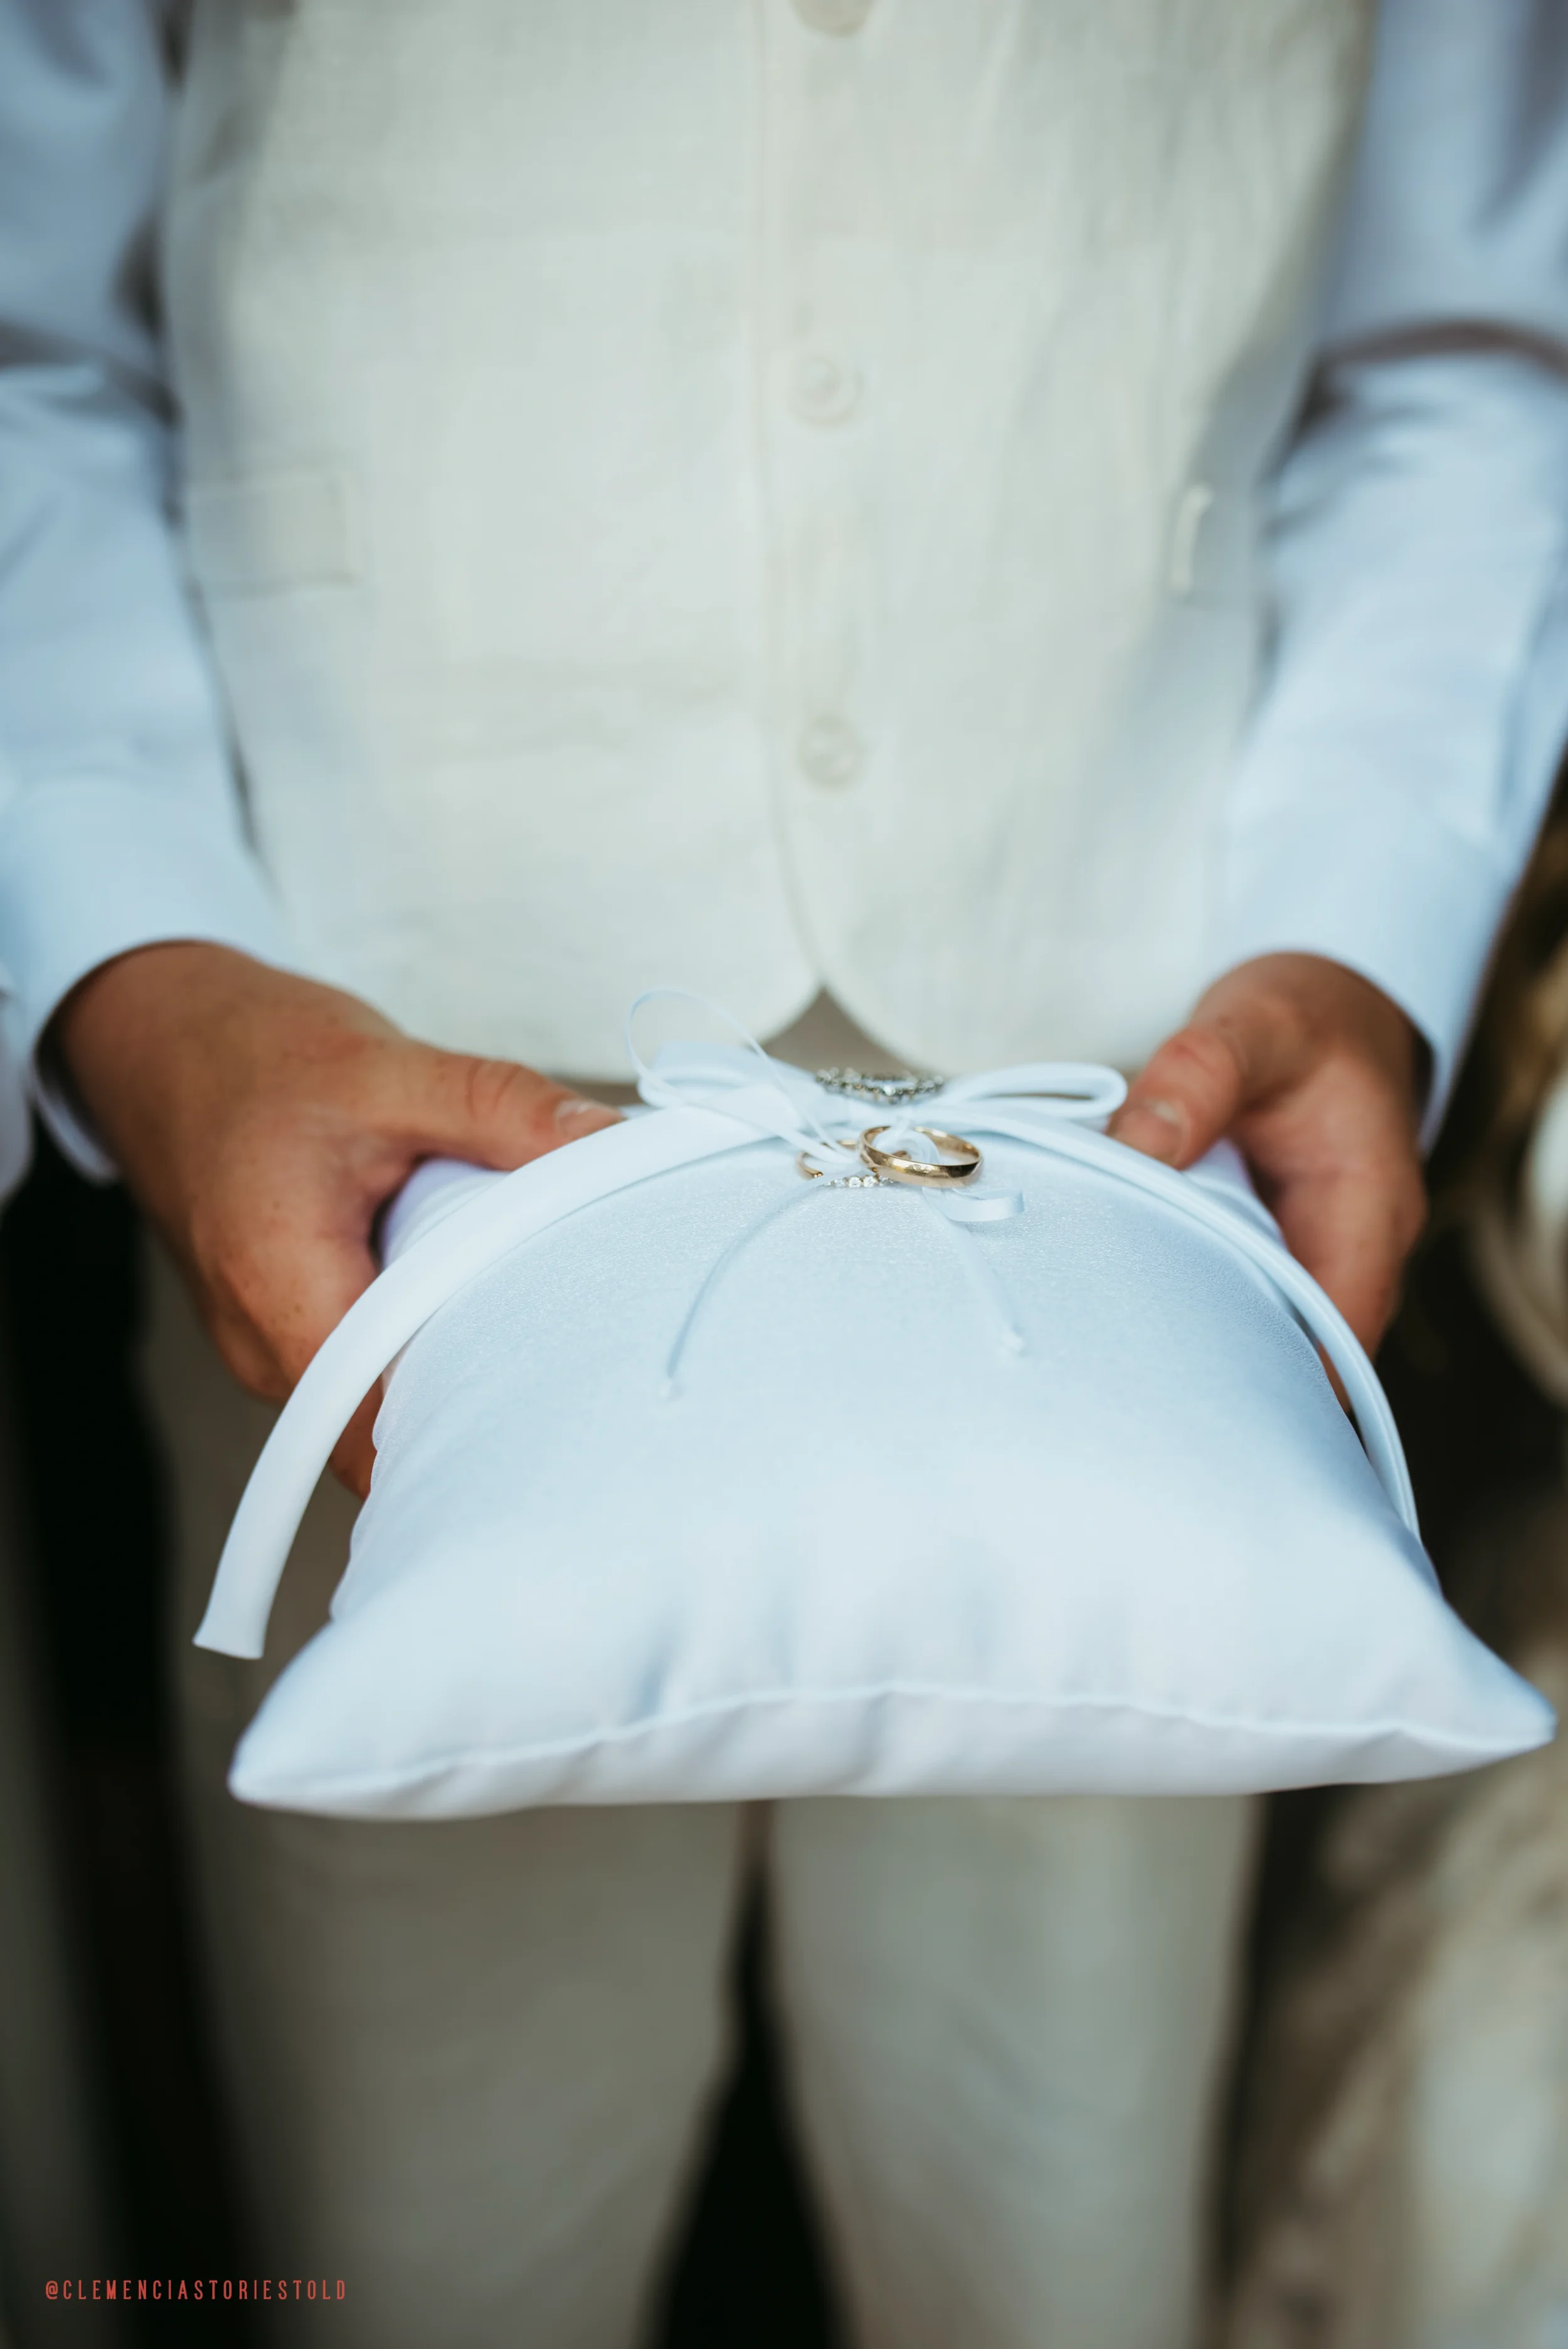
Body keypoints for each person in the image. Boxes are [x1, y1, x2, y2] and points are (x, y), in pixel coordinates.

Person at [3, 2, 1567, 2341]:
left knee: (1057, 2253)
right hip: (370, 1143)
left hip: (1132, 1133)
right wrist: (132, 974)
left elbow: (1458, 346)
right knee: (420, 2260)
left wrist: (1366, 927)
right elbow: (26, 326)